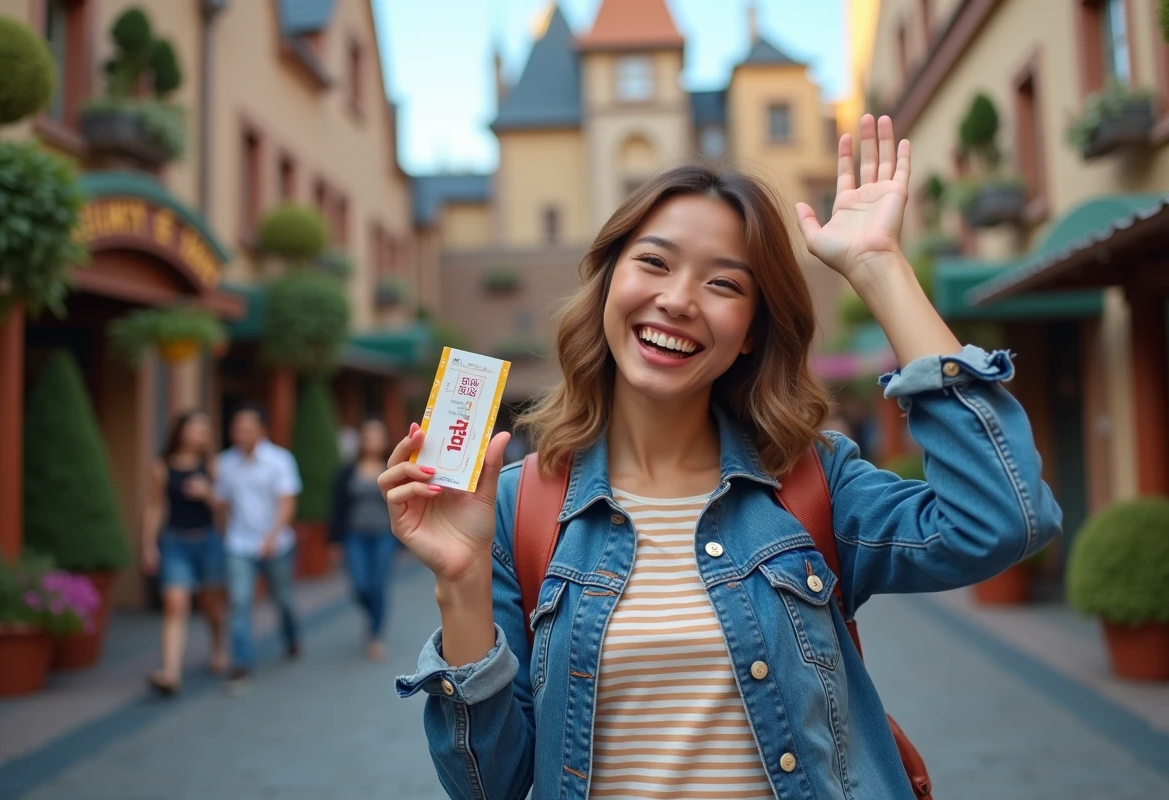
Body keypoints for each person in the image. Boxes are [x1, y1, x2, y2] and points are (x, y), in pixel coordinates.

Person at [382, 115, 1063, 799]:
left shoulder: (807, 481)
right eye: (653, 262)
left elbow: (1002, 516)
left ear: (748, 336)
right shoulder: (522, 509)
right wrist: (460, 583)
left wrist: (879, 268)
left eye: (724, 285)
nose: (677, 301)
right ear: (608, 284)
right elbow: (486, 784)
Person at [215, 404, 304, 695]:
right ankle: (241, 663)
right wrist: (225, 532)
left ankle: (291, 636)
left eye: (246, 429)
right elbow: (224, 503)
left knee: (283, 599)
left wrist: (271, 535)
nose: (240, 434)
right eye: (236, 429)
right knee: (239, 601)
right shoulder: (225, 463)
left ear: (261, 431)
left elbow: (287, 502)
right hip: (239, 543)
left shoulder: (279, 460)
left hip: (276, 544)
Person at [142, 411, 227, 696]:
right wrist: (148, 545)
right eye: (195, 428)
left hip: (208, 541)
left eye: (205, 429)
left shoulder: (212, 465)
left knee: (211, 603)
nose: (201, 434)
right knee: (175, 603)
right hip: (175, 542)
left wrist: (207, 493)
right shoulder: (162, 466)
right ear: (181, 431)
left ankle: (218, 648)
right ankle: (171, 672)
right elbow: (155, 508)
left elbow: (225, 508)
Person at [329, 418, 397, 661]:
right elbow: (336, 507)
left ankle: (375, 635)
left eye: (378, 435)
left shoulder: (392, 468)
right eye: (368, 435)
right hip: (354, 536)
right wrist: (334, 541)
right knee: (359, 586)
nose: (372, 441)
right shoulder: (348, 471)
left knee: (378, 585)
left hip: (383, 536)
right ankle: (373, 616)